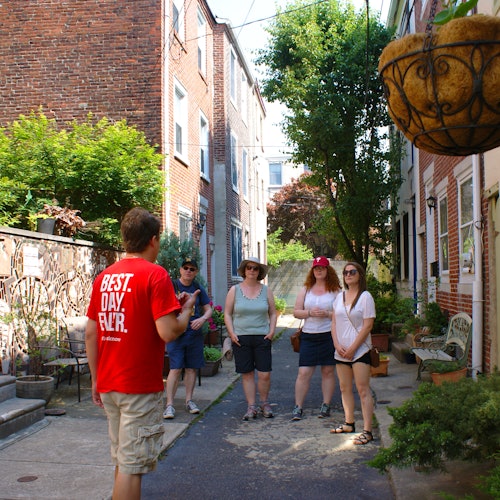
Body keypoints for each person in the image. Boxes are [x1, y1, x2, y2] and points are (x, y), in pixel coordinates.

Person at [85, 207, 199, 500]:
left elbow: (91, 331)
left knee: (123, 461)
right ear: (153, 240)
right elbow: (168, 332)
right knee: (132, 467)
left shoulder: (105, 277)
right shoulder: (155, 275)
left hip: (109, 383)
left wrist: (95, 379)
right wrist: (185, 312)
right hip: (138, 386)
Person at [224, 256, 277, 420]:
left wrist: (272, 331)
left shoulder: (266, 290)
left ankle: (265, 403)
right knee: (247, 374)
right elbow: (227, 313)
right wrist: (232, 333)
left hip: (262, 336)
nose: (252, 271)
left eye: (255, 268)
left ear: (259, 272)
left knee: (264, 374)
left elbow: (273, 312)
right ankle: (251, 406)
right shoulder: (235, 290)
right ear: (244, 271)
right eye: (249, 268)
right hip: (241, 338)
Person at [330, 261, 376, 445]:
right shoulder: (339, 297)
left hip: (360, 351)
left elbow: (368, 325)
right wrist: (337, 344)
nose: (348, 274)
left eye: (352, 272)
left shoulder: (365, 297)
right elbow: (333, 323)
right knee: (344, 388)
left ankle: (368, 431)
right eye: (346, 272)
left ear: (360, 275)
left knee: (363, 390)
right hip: (341, 351)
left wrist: (353, 348)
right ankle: (349, 422)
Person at [291, 256, 341, 421]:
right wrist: (310, 313)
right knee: (303, 372)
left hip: (328, 335)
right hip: (309, 335)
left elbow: (342, 314)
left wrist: (327, 314)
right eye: (316, 268)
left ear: (328, 270)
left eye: (322, 267)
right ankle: (298, 406)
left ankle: (325, 405)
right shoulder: (305, 289)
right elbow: (296, 311)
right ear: (312, 271)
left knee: (327, 371)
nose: (319, 270)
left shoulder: (336, 291)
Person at [164, 257, 212, 419]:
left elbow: (208, 309)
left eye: (192, 269)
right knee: (175, 368)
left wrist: (203, 319)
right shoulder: (172, 286)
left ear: (196, 272)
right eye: (185, 268)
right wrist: (176, 303)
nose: (188, 271)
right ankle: (169, 404)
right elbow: (162, 307)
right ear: (180, 270)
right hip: (177, 332)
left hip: (194, 333)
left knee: (191, 368)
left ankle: (189, 400)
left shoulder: (198, 288)